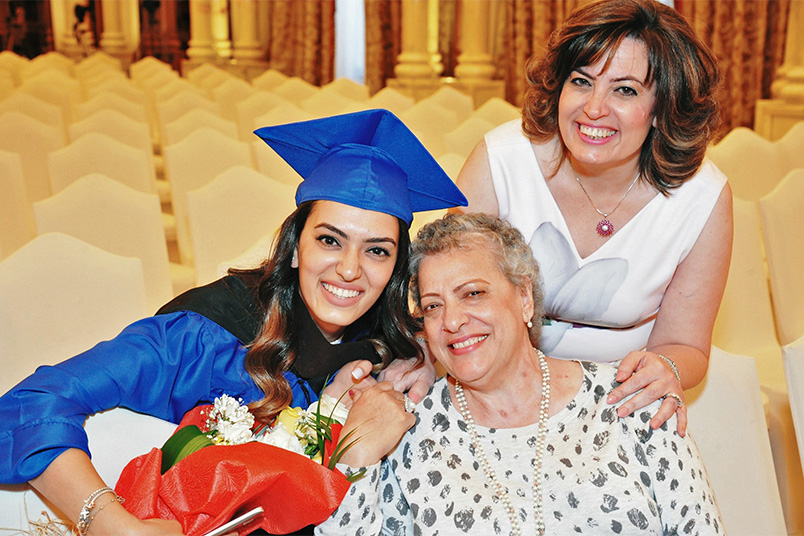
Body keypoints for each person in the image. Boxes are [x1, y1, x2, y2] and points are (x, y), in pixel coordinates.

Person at [0, 109, 466, 535]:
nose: (349, 269)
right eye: (330, 239)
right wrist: (109, 522)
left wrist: (427, 354)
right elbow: (32, 404)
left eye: (377, 250)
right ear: (296, 243)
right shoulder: (205, 336)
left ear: (397, 267)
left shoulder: (387, 348)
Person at [318, 212, 724, 535]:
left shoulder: (633, 396)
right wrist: (355, 453)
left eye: (473, 293)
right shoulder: (407, 428)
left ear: (525, 298)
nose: (453, 321)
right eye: (433, 306)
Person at [454, 0, 732, 434]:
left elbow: (686, 345)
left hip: (618, 408)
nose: (594, 108)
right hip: (489, 394)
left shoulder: (701, 198)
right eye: (581, 81)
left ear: (662, 108)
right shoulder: (502, 160)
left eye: (625, 90)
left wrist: (666, 367)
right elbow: (449, 296)